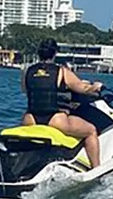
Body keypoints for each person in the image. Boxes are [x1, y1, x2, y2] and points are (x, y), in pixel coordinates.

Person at [20, 38, 104, 168]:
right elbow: (83, 88)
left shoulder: (27, 71)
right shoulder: (61, 71)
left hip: (30, 119)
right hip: (55, 120)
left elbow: (26, 91)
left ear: (39, 53)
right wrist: (96, 86)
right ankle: (97, 169)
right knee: (91, 131)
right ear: (55, 53)